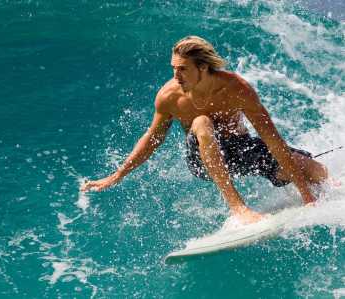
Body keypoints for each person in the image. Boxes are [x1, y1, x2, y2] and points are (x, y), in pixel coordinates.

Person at [81, 36, 328, 224]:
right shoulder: (169, 97)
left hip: (241, 150)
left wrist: (306, 196)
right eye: (173, 68)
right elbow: (152, 138)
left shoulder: (236, 89)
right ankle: (238, 208)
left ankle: (326, 188)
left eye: (182, 69)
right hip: (202, 159)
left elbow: (271, 138)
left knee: (316, 172)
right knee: (201, 122)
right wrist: (117, 174)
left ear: (203, 67)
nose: (175, 75)